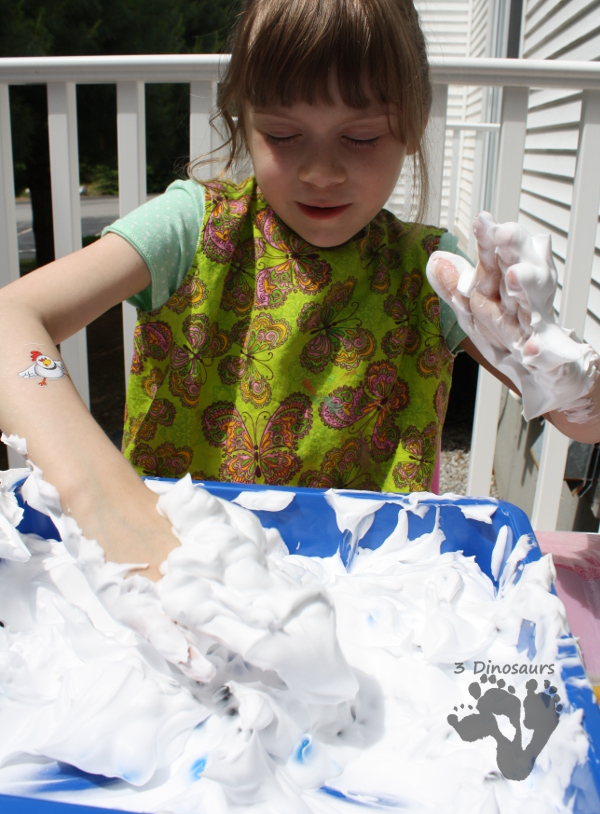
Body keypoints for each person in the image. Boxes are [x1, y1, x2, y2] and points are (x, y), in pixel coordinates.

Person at [1, 0, 599, 582]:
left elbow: (583, 427)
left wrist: (567, 381)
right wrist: (98, 491)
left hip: (372, 591)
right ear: (244, 121)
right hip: (181, 573)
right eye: (284, 135)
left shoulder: (433, 273)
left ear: (413, 129)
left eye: (361, 138)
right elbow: (11, 317)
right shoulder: (192, 228)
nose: (321, 171)